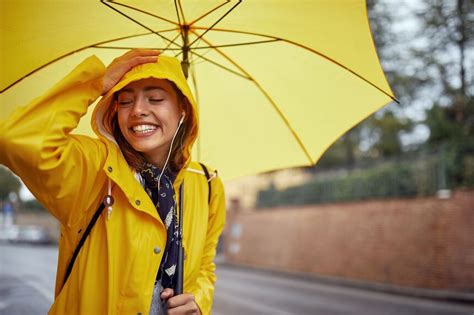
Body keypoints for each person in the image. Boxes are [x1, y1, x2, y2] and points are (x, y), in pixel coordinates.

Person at [0, 49, 226, 315]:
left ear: (183, 111)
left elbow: (205, 267)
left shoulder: (208, 185)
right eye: (125, 101)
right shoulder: (94, 167)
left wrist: (198, 300)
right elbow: (15, 138)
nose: (138, 110)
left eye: (155, 98)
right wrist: (97, 82)